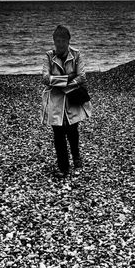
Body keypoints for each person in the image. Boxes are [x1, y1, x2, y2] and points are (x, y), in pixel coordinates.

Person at [41, 25, 90, 177]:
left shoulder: (76, 54)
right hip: (55, 101)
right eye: (57, 41)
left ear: (68, 41)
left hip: (72, 98)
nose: (60, 44)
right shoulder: (49, 56)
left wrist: (62, 83)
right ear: (53, 41)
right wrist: (68, 78)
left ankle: (76, 156)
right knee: (58, 133)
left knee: (73, 130)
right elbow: (45, 78)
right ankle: (63, 166)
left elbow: (82, 76)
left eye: (63, 41)